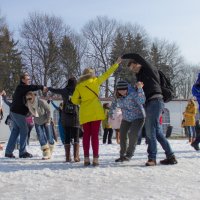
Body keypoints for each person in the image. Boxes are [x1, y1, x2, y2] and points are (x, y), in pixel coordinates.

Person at [122, 53, 177, 166]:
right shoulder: (140, 76)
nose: (132, 70)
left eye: (133, 67)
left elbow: (137, 55)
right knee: (157, 133)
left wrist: (123, 56)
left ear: (138, 64)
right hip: (150, 103)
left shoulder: (148, 68)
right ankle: (171, 156)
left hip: (155, 101)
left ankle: (152, 158)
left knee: (150, 130)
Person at [71, 57, 122, 166]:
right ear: (92, 74)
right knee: (94, 135)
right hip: (95, 111)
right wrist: (116, 64)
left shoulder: (79, 86)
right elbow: (107, 74)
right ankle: (95, 159)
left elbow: (74, 100)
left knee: (86, 136)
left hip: (85, 112)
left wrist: (82, 101)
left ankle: (86, 158)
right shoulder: (96, 81)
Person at [4, 73, 46, 158]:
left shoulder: (22, 88)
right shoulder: (21, 87)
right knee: (24, 130)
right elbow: (31, 87)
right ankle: (22, 152)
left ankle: (8, 152)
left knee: (15, 131)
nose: (29, 81)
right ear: (23, 80)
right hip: (18, 113)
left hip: (14, 112)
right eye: (27, 79)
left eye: (29, 79)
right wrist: (41, 87)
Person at [109, 80, 145, 162]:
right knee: (122, 135)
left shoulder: (133, 94)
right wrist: (111, 113)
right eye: (120, 90)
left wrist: (140, 89)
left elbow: (141, 101)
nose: (122, 91)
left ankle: (129, 154)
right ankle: (122, 155)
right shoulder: (118, 97)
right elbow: (114, 104)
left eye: (124, 89)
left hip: (138, 117)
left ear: (127, 89)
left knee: (132, 134)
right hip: (126, 118)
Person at [48, 77, 80, 162]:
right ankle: (76, 157)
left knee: (67, 136)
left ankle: (67, 157)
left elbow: (54, 90)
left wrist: (48, 88)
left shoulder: (64, 91)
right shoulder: (78, 90)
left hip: (65, 117)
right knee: (76, 136)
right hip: (75, 116)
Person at [25, 91, 55, 160]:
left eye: (30, 98)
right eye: (27, 99)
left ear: (33, 97)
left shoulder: (41, 102)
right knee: (41, 136)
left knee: (49, 136)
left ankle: (51, 147)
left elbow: (49, 110)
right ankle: (46, 152)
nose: (29, 100)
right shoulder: (28, 104)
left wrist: (48, 121)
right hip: (37, 121)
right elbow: (30, 113)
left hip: (46, 120)